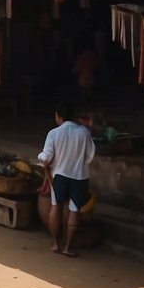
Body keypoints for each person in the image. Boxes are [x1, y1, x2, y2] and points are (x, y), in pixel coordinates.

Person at [38, 101, 96, 257]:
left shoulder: (54, 133)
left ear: (58, 116)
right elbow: (90, 156)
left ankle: (56, 243)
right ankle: (68, 247)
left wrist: (41, 157)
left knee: (56, 207)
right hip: (80, 177)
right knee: (74, 210)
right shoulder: (84, 132)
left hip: (60, 176)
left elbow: (47, 157)